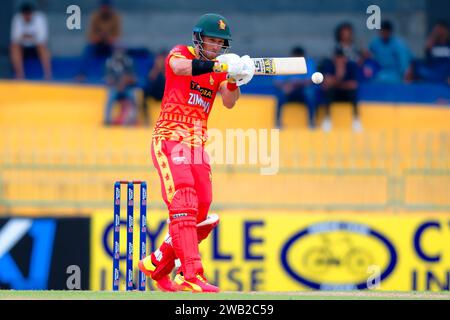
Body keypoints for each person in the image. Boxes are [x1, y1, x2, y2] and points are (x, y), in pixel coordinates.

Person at [137, 13, 255, 293]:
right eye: (212, 41)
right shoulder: (181, 53)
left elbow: (228, 102)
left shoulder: (219, 69)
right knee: (184, 199)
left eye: (220, 43)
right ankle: (190, 273)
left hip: (197, 144)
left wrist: (236, 79)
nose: (215, 46)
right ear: (199, 39)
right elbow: (179, 69)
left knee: (202, 208)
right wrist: (217, 65)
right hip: (169, 138)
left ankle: (157, 263)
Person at [273, 47, 319, 129]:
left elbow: (312, 80)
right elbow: (277, 82)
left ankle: (311, 122)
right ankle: (277, 122)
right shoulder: (285, 63)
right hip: (289, 90)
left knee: (310, 93)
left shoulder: (308, 63)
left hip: (302, 90)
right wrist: (286, 85)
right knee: (281, 95)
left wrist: (296, 83)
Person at [77, 0, 121, 80]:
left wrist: (107, 38)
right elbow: (90, 37)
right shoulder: (95, 16)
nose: (105, 9)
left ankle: (113, 76)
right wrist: (100, 37)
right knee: (87, 50)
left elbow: (116, 37)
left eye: (107, 7)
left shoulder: (115, 17)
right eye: (103, 7)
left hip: (109, 45)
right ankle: (82, 74)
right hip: (97, 44)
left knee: (118, 53)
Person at [320, 48, 361, 132]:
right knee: (329, 91)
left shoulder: (351, 66)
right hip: (335, 94)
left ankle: (356, 119)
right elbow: (327, 82)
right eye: (337, 58)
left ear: (345, 58)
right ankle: (327, 119)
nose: (339, 60)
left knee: (353, 93)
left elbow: (354, 84)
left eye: (341, 57)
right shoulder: (329, 65)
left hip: (346, 95)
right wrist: (339, 76)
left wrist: (337, 83)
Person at [10, 2, 52, 80]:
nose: (27, 17)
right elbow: (15, 39)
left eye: (28, 14)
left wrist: (26, 36)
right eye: (25, 15)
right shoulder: (17, 18)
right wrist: (31, 37)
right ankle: (20, 76)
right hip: (23, 48)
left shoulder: (40, 18)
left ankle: (48, 75)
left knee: (42, 46)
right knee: (14, 47)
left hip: (37, 47)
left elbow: (42, 38)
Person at [104, 45, 137, 125]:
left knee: (133, 96)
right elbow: (108, 79)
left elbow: (133, 78)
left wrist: (124, 82)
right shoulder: (109, 62)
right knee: (110, 97)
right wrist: (117, 84)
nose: (119, 53)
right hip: (115, 87)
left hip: (127, 87)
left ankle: (132, 119)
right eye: (117, 51)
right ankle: (107, 120)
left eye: (121, 51)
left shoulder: (129, 62)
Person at [142, 50, 167, 125]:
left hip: (164, 93)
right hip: (155, 92)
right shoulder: (153, 68)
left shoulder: (168, 67)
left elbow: (169, 80)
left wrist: (163, 69)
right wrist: (156, 68)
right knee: (144, 91)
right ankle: (146, 118)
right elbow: (150, 78)